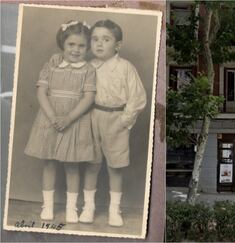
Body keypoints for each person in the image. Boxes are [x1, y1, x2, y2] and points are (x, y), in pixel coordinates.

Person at [24, 20, 96, 223]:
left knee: (72, 166)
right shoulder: (52, 64)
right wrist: (53, 117)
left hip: (74, 119)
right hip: (49, 118)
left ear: (88, 47)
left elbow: (88, 98)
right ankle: (47, 206)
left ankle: (71, 208)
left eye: (81, 46)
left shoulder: (88, 70)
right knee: (49, 162)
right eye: (71, 45)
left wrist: (69, 118)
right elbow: (41, 92)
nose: (76, 50)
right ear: (63, 44)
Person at [78, 19, 146, 227]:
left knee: (115, 168)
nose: (99, 44)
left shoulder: (125, 68)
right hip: (92, 117)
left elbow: (137, 97)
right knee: (91, 164)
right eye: (95, 39)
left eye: (105, 39)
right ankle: (88, 207)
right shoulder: (88, 67)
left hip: (116, 120)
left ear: (117, 45)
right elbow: (79, 95)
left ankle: (114, 210)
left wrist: (124, 121)